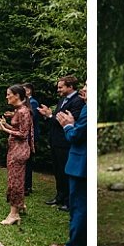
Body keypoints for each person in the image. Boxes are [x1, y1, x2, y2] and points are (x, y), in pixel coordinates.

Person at [38, 76, 84, 212]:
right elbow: (57, 118)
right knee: (58, 171)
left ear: (70, 87)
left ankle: (68, 201)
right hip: (55, 140)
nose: (58, 90)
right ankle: (59, 196)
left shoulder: (78, 102)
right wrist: (48, 115)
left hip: (65, 142)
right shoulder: (63, 99)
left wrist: (51, 116)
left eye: (60, 87)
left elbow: (69, 121)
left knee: (65, 171)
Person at [53, 84, 87, 246]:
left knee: (79, 208)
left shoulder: (87, 108)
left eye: (87, 85)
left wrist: (68, 126)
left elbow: (76, 135)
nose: (84, 89)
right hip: (78, 163)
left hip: (81, 165)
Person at [0, 85, 34, 225]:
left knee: (15, 181)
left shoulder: (24, 111)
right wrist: (5, 125)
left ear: (17, 95)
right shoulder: (19, 110)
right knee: (16, 179)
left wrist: (5, 129)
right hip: (14, 148)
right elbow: (18, 128)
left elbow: (23, 134)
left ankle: (14, 214)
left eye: (8, 94)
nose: (7, 97)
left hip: (19, 150)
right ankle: (21, 205)